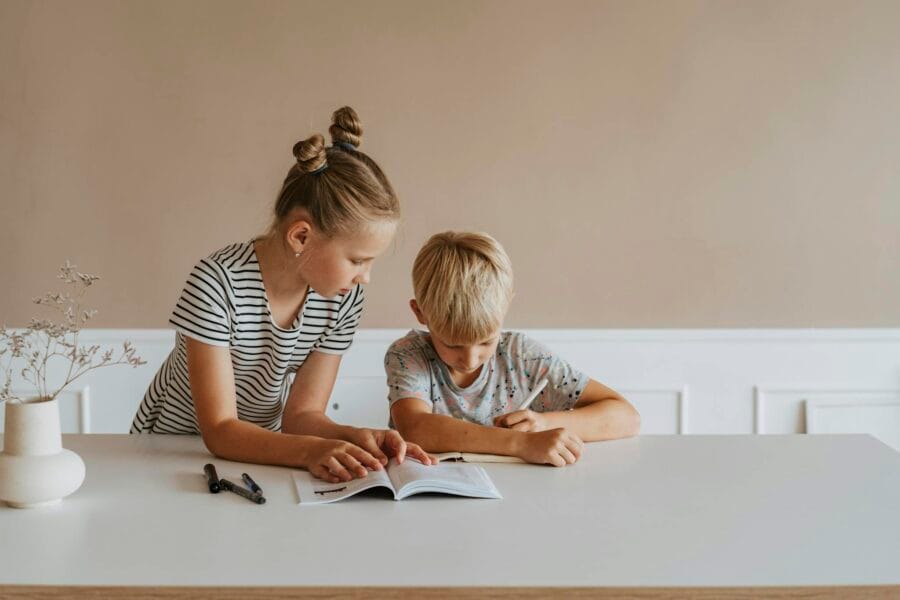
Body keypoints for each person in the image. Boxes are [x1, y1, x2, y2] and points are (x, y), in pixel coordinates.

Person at [131, 106, 433, 483]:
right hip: (168, 454)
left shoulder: (342, 299)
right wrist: (311, 451)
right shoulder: (216, 283)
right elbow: (220, 429)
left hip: (259, 454)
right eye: (357, 260)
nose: (365, 278)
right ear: (301, 236)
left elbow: (301, 417)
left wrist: (357, 437)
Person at [386, 231, 640, 466]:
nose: (470, 359)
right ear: (420, 312)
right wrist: (521, 443)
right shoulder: (409, 354)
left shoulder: (523, 356)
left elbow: (627, 417)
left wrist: (543, 423)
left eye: (486, 341)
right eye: (452, 344)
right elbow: (416, 428)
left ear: (506, 307)